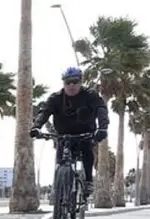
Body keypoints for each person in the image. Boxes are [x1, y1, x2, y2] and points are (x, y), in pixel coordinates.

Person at [30, 66, 109, 202]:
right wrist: (36, 127)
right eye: (68, 82)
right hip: (64, 134)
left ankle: (88, 181)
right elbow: (44, 112)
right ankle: (59, 194)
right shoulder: (55, 98)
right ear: (63, 84)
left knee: (87, 151)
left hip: (85, 133)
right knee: (60, 161)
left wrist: (102, 128)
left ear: (80, 82)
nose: (71, 85)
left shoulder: (90, 95)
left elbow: (101, 109)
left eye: (75, 81)